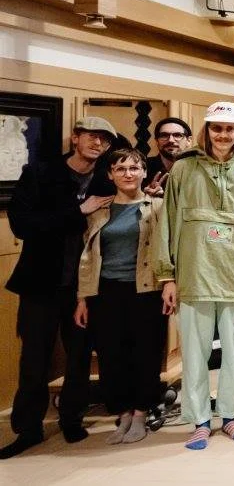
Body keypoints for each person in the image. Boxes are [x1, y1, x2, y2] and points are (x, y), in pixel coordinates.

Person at [155, 101, 234, 450]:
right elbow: (167, 224)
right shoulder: (183, 170)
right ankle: (200, 420)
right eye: (216, 128)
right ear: (206, 130)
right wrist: (167, 276)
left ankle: (231, 416)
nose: (223, 135)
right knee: (195, 354)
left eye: (229, 128)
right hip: (194, 277)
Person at [1, 117, 117, 459]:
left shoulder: (106, 179)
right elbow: (23, 225)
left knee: (79, 357)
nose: (98, 143)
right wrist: (78, 210)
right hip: (41, 283)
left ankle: (72, 419)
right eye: (92, 136)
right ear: (76, 137)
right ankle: (28, 428)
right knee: (34, 359)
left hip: (85, 287)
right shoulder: (40, 173)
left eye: (104, 140)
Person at [74, 148, 166, 445]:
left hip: (145, 290)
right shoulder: (99, 210)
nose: (128, 173)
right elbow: (87, 256)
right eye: (121, 168)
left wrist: (169, 284)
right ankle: (123, 413)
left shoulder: (158, 206)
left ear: (144, 172)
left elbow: (168, 249)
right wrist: (82, 297)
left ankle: (141, 413)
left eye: (134, 168)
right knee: (112, 354)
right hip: (105, 291)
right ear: (110, 174)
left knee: (146, 352)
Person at [143, 117, 192, 196]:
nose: (170, 140)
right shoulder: (142, 168)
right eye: (164, 135)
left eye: (177, 135)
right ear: (156, 141)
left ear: (188, 141)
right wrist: (144, 196)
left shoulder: (198, 169)